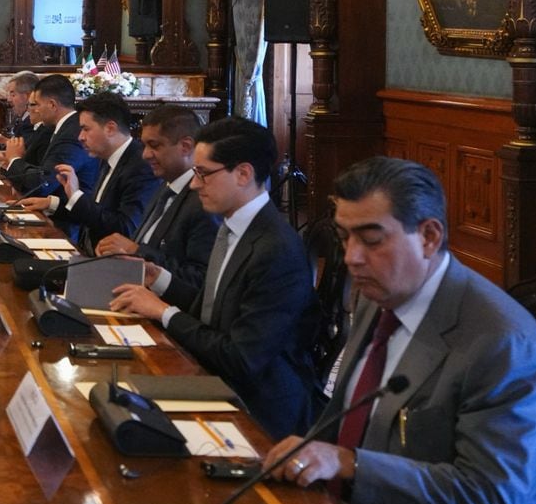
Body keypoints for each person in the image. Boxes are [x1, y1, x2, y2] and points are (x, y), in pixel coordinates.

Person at [268, 157, 536, 504]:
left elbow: (489, 503)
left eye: (371, 239)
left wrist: (348, 463)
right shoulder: (379, 297)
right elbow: (343, 419)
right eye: (344, 238)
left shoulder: (499, 343)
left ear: (428, 236)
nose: (353, 258)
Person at [110, 116, 317, 438]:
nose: (193, 185)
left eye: (203, 174)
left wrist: (164, 312)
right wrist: (160, 279)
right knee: (110, 395)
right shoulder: (233, 224)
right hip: (214, 374)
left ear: (243, 174)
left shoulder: (276, 250)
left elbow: (241, 358)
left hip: (256, 409)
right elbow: (215, 311)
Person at [94, 104, 218, 309]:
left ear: (186, 146)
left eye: (155, 145)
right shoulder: (165, 186)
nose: (145, 155)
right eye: (144, 145)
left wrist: (136, 251)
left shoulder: (203, 203)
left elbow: (200, 282)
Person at [23, 91, 159, 249]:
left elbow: (125, 228)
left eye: (86, 129)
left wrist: (75, 196)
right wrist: (52, 203)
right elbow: (97, 209)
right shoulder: (105, 157)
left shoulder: (141, 166)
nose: (80, 137)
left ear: (110, 128)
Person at [0, 73, 98, 196]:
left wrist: (14, 159)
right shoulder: (57, 127)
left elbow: (42, 184)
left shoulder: (71, 135)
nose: (36, 110)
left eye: (38, 104)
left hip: (65, 212)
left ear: (52, 105)